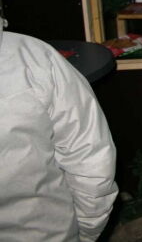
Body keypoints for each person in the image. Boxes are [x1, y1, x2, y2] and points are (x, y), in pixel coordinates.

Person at [0, 18, 118, 240]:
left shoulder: (33, 57)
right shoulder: (31, 57)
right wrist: (85, 232)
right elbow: (92, 162)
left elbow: (89, 157)